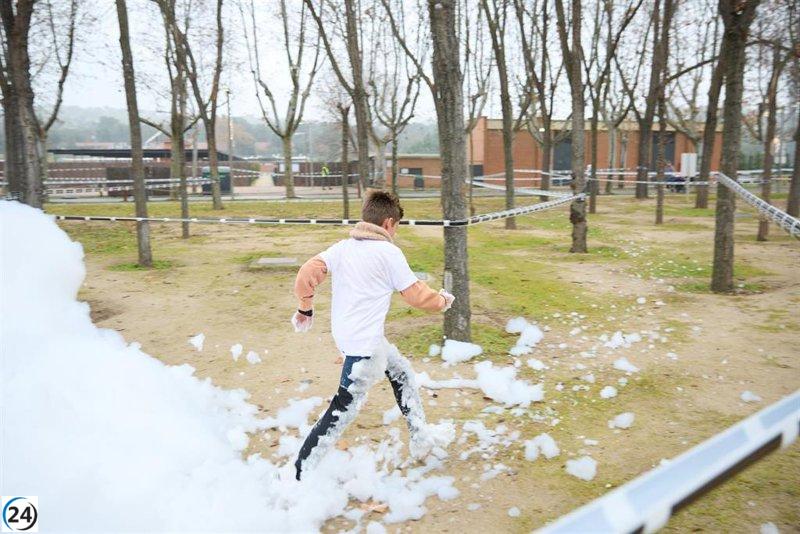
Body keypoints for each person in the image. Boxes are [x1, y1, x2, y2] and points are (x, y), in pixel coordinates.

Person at [291, 190, 455, 481]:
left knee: (402, 373)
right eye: (397, 227)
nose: (397, 234)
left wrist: (306, 309)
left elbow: (307, 272)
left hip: (357, 339)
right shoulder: (388, 253)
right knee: (341, 412)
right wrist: (442, 300)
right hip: (363, 349)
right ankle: (299, 474)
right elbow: (416, 295)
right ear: (389, 223)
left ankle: (421, 438)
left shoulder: (342, 248)